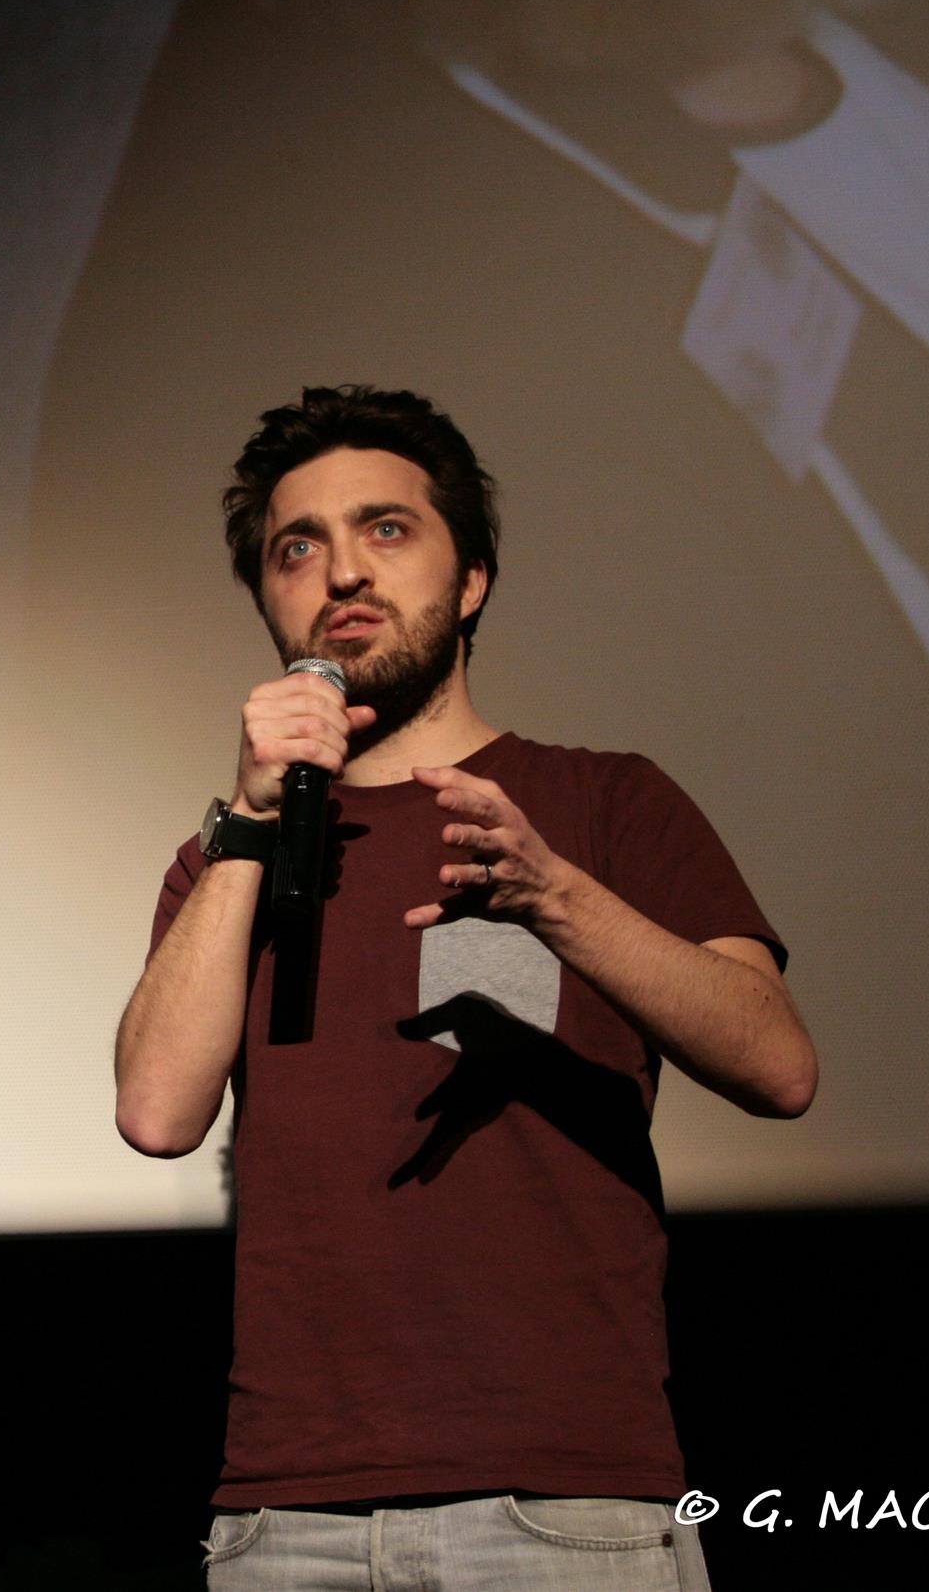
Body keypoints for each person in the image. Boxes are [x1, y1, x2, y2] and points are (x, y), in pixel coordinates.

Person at [113, 385, 815, 1589]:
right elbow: (158, 1113)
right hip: (293, 1520)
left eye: (386, 529)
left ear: (473, 579)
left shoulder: (605, 801)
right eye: (297, 549)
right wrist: (247, 823)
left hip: (566, 1505)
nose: (343, 571)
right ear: (269, 603)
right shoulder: (228, 857)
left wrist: (556, 896)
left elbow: (779, 1065)